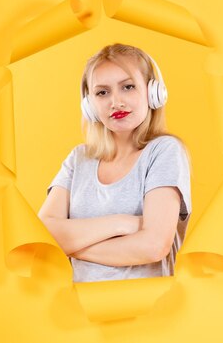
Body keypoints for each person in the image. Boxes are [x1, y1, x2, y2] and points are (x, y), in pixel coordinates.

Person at [37, 43, 191, 283]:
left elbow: (153, 246)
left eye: (128, 87)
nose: (116, 102)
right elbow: (42, 235)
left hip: (146, 313)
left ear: (153, 93)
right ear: (89, 105)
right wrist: (122, 224)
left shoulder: (164, 151)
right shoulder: (78, 159)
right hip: (78, 313)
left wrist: (71, 246)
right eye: (102, 92)